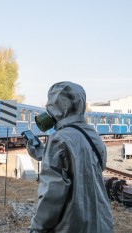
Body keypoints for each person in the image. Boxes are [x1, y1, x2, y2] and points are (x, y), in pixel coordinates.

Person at [26, 81, 113, 233]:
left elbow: (51, 195)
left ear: (56, 107)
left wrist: (37, 227)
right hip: (100, 222)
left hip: (73, 224)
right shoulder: (93, 135)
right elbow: (85, 165)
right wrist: (42, 153)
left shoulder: (58, 139)